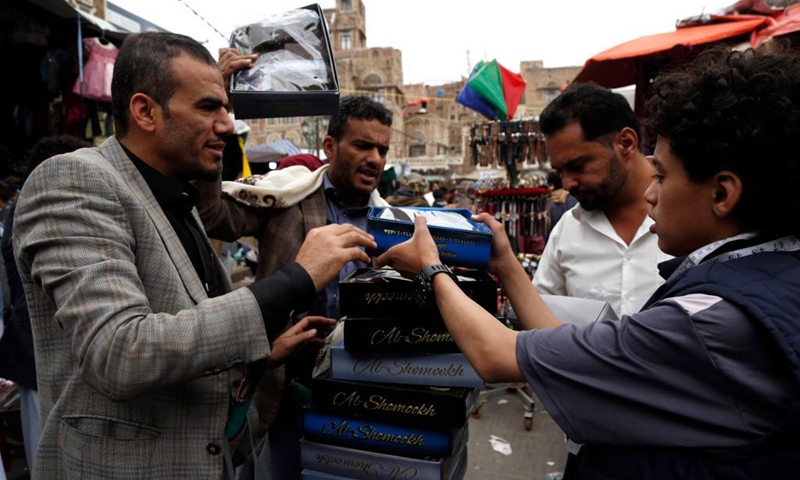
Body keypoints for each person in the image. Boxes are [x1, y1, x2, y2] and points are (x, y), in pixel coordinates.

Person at [378, 45, 800, 480]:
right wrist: (506, 266)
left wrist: (432, 268)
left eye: (664, 176)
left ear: (722, 194)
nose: (652, 195)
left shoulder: (710, 321)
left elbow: (496, 354)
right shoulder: (764, 276)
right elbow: (568, 354)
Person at [12, 32, 375, 480]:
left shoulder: (173, 196)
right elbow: (120, 352)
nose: (227, 125)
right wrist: (297, 278)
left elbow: (188, 329)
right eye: (208, 108)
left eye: (226, 108)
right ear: (145, 111)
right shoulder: (75, 180)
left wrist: (264, 353)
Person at [196, 93, 393, 479]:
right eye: (363, 145)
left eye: (382, 149)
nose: (375, 159)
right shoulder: (288, 196)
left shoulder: (391, 222)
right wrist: (215, 115)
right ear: (331, 147)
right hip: (285, 383)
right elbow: (210, 214)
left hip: (362, 387)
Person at [533, 83, 670, 317]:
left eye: (578, 166)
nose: (567, 184)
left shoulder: (689, 215)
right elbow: (540, 318)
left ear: (626, 143)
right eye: (560, 172)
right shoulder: (568, 229)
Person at [0, 135, 91, 474]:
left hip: (44, 357)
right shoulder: (39, 213)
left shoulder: (25, 210)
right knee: (50, 457)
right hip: (38, 357)